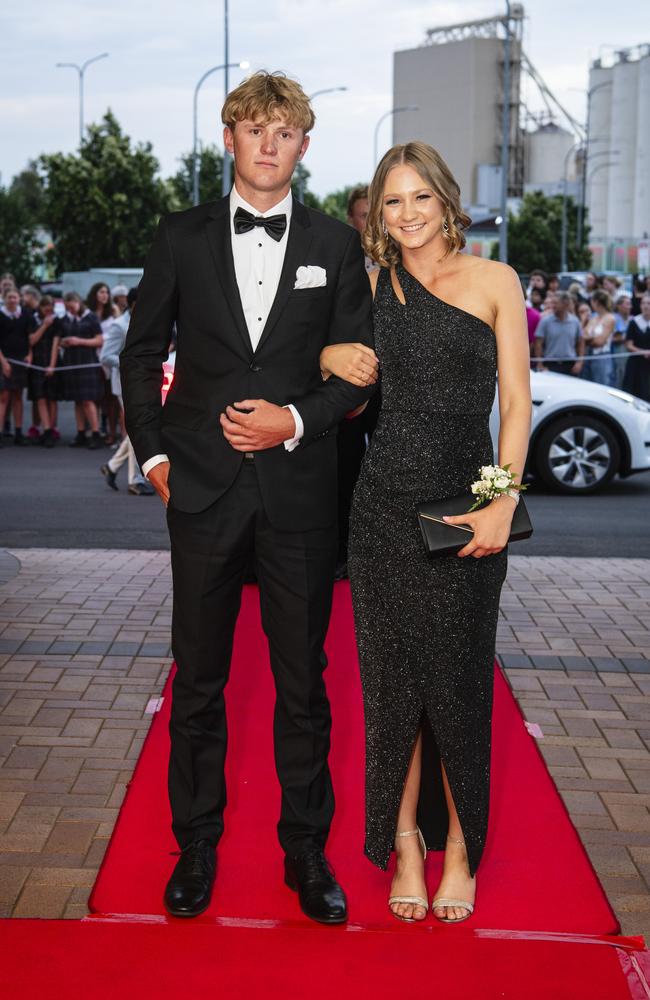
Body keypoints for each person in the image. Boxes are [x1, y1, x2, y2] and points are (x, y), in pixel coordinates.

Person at [120, 70, 375, 923]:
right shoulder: (181, 235)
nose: (269, 145)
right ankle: (194, 845)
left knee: (305, 687)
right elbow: (138, 352)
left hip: (301, 494)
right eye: (254, 129)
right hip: (198, 492)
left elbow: (357, 376)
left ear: (305, 144)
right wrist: (154, 462)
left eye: (286, 132)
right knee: (198, 682)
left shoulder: (339, 245)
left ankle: (306, 855)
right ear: (228, 137)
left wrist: (294, 421)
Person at [320, 141, 531, 924]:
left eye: (420, 199)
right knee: (392, 689)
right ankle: (405, 840)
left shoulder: (494, 281)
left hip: (465, 506)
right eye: (391, 202)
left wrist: (503, 501)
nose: (406, 216)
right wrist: (327, 348)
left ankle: (464, 848)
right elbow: (321, 365)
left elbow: (516, 405)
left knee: (459, 685)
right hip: (381, 512)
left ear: (445, 200)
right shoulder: (374, 288)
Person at [332, 184, 381, 580]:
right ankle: (341, 551)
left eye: (375, 213)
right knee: (345, 464)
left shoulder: (400, 260)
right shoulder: (337, 257)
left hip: (389, 383)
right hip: (348, 377)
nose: (371, 221)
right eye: (364, 214)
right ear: (353, 218)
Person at [99, 287, 154, 494]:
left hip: (144, 382)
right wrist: (130, 364)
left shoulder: (146, 319)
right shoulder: (119, 325)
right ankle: (135, 480)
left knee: (138, 428)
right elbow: (106, 356)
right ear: (132, 304)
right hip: (125, 384)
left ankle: (112, 467)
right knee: (138, 428)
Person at [59, 291, 105, 448]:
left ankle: (95, 433)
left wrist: (79, 341)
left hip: (87, 361)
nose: (69, 310)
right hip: (71, 362)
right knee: (77, 400)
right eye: (67, 308)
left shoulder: (91, 317)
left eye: (71, 307)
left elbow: (99, 340)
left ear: (78, 302)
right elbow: (59, 340)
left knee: (87, 399)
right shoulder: (65, 319)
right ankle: (80, 433)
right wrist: (63, 343)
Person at [0, 287, 34, 445]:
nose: (12, 300)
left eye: (15, 297)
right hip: (4, 360)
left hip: (20, 359)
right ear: (4, 299)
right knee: (3, 397)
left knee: (18, 396)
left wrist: (29, 354)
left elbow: (30, 337)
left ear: (19, 299)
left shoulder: (26, 314)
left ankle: (19, 432)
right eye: (9, 297)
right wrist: (3, 362)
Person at [27, 294, 62, 447]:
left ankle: (52, 429)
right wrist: (44, 325)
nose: (48, 310)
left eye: (51, 307)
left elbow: (56, 345)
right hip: (36, 363)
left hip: (51, 362)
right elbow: (32, 340)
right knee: (40, 398)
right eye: (45, 307)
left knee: (52, 398)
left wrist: (52, 365)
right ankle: (46, 429)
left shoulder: (57, 321)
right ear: (40, 307)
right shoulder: (32, 320)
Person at [88, 282, 120, 444]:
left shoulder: (113, 312)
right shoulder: (90, 313)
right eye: (101, 292)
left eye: (106, 292)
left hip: (107, 358)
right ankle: (97, 428)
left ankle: (112, 432)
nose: (104, 295)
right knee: (95, 397)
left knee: (110, 398)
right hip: (92, 358)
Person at [533, 290, 584, 376]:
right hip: (550, 364)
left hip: (570, 364)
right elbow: (538, 343)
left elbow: (581, 343)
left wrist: (579, 362)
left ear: (565, 304)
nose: (552, 306)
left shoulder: (575, 321)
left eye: (556, 303)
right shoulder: (545, 321)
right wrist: (540, 363)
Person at [583, 289, 615, 386]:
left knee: (602, 386)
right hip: (589, 357)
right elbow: (583, 336)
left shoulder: (610, 318)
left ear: (596, 302)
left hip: (602, 357)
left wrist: (588, 340)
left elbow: (600, 342)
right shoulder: (593, 318)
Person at [622, 292, 650, 401]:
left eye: (648, 303)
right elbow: (629, 344)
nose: (645, 306)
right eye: (643, 303)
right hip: (636, 363)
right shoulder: (634, 322)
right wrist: (643, 352)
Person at [612, 294, 633, 389]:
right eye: (627, 304)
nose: (630, 306)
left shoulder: (633, 319)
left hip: (631, 354)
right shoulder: (613, 318)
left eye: (630, 304)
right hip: (618, 353)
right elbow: (612, 338)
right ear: (619, 306)